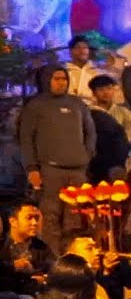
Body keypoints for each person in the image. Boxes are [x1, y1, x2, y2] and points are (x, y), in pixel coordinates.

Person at [19, 64, 96, 252]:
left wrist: (87, 155)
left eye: (64, 79)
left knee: (76, 218)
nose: (61, 83)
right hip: (50, 170)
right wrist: (32, 168)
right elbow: (26, 138)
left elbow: (90, 132)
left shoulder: (77, 104)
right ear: (47, 80)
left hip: (77, 171)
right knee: (50, 218)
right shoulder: (36, 106)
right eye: (57, 79)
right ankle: (52, 261)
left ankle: (73, 259)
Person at [0, 200, 53, 299]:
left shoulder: (40, 247)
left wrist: (40, 277)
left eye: (36, 218)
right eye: (29, 218)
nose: (34, 223)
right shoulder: (2, 244)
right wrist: (15, 268)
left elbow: (54, 270)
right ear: (13, 221)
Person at [63, 230, 131, 299]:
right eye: (89, 248)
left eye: (96, 247)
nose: (97, 252)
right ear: (69, 255)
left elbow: (130, 283)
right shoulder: (66, 285)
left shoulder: (91, 280)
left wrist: (107, 271)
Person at [86, 75, 131, 185]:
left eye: (109, 88)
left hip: (119, 163)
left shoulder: (125, 114)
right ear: (94, 93)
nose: (106, 92)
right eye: (101, 89)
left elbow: (129, 138)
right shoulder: (87, 113)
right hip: (94, 163)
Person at [65, 35, 101, 105]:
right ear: (70, 51)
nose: (82, 50)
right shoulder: (65, 70)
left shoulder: (96, 70)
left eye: (85, 47)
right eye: (78, 47)